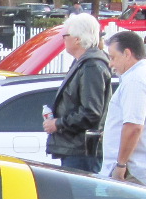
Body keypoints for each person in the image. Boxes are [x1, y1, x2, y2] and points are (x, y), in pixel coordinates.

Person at [101, 31, 146, 190]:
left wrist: (120, 165)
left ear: (127, 54)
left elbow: (134, 127)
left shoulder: (136, 80)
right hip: (143, 171)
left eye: (113, 57)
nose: (111, 64)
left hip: (134, 173)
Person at [43, 12, 110, 173]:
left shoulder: (91, 66)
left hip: (82, 151)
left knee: (79, 189)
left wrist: (58, 123)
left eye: (65, 36)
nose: (63, 40)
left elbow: (91, 112)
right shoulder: (83, 63)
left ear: (78, 39)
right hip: (77, 148)